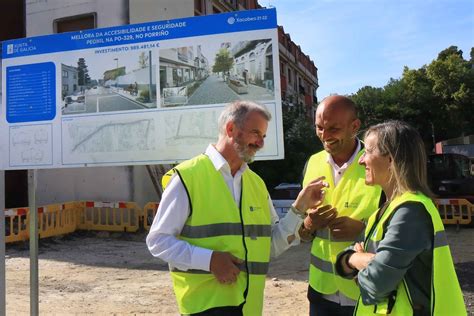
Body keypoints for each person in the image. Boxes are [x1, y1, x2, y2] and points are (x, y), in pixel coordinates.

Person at [146, 100, 329, 316]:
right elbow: (158, 241)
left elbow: (269, 246)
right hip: (204, 307)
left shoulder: (256, 184)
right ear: (230, 129)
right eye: (255, 133)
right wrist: (210, 260)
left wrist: (299, 208)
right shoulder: (187, 177)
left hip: (250, 308)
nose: (260, 143)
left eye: (263, 137)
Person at [336, 121, 466, 315]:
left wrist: (355, 262)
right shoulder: (387, 210)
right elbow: (343, 261)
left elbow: (376, 284)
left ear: (391, 159)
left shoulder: (410, 212)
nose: (361, 160)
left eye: (368, 151)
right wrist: (356, 258)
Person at [300, 95, 383, 316]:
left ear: (354, 126)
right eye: (319, 127)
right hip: (321, 293)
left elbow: (399, 223)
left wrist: (362, 229)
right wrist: (308, 224)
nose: (324, 136)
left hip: (363, 290)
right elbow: (299, 231)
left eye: (333, 129)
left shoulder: (379, 160)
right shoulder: (313, 163)